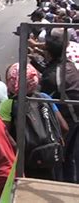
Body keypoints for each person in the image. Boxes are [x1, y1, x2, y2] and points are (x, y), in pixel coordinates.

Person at [0, 63, 68, 181]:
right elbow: (64, 127)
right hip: (51, 157)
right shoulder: (44, 97)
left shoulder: (7, 105)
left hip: (26, 162)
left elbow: (4, 137)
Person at [30, 34, 79, 183]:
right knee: (69, 157)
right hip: (74, 116)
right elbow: (51, 70)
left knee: (57, 156)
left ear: (49, 53)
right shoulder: (68, 64)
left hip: (68, 121)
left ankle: (59, 184)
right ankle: (70, 183)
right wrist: (36, 56)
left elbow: (43, 95)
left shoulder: (51, 77)